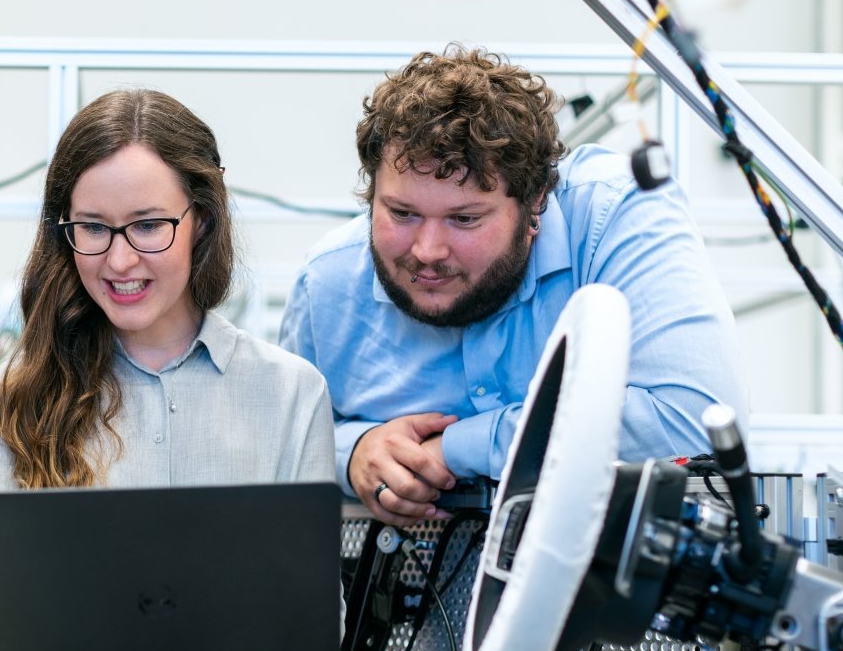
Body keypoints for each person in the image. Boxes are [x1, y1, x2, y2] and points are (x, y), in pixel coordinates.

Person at [280, 45, 747, 527]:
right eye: (402, 213)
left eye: (464, 218)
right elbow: (284, 442)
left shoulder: (616, 216)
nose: (427, 250)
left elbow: (694, 418)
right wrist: (354, 452)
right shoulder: (327, 283)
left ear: (535, 202)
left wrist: (454, 450)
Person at [0, 88, 335, 492]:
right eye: (92, 227)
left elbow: (303, 557)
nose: (120, 260)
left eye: (147, 226)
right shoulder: (13, 399)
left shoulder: (292, 394)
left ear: (203, 220)